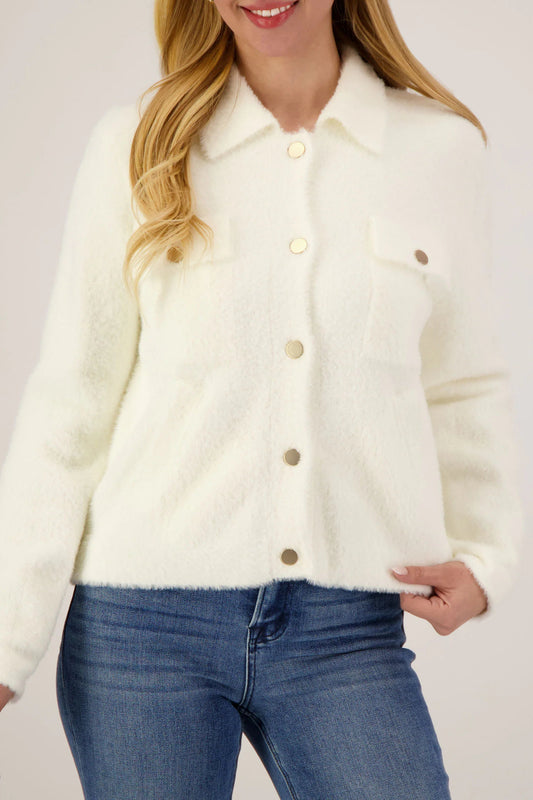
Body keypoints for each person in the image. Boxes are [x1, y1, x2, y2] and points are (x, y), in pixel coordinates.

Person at [0, 0, 524, 797]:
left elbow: (462, 381)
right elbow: (72, 399)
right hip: (142, 626)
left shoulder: (438, 149)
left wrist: (486, 555)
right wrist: (7, 637)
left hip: (345, 628)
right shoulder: (136, 141)